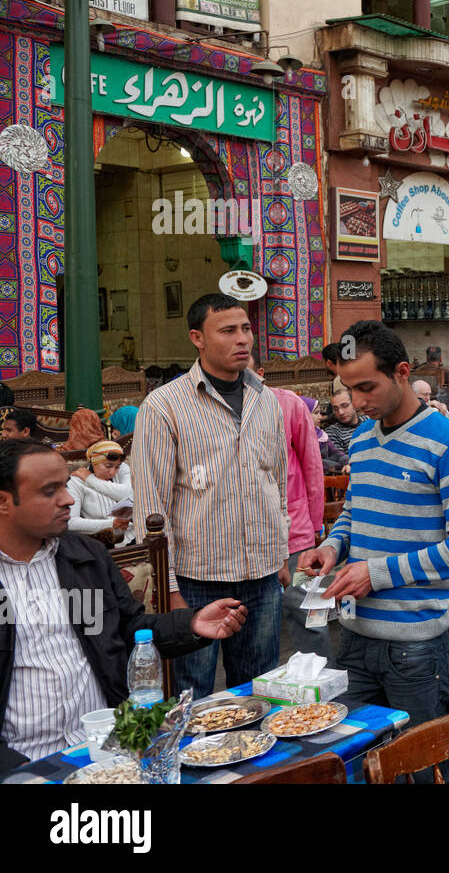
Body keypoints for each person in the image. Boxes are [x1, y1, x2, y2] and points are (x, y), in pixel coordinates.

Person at [298, 321, 449, 784]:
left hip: (415, 648)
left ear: (402, 372)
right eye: (348, 389)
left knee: (421, 771)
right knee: (357, 764)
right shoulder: (361, 440)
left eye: (366, 387)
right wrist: (331, 546)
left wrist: (375, 574)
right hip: (356, 636)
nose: (358, 401)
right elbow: (355, 514)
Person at [0, 438, 248, 769]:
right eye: (49, 491)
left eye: (65, 486)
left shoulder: (83, 558)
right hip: (23, 762)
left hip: (112, 747)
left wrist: (190, 624)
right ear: (3, 501)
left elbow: (129, 629)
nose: (68, 499)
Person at [130, 293, 288, 697]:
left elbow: (277, 480)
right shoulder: (164, 406)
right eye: (228, 330)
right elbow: (151, 506)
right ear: (197, 338)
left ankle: (258, 762)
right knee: (193, 694)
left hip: (262, 573)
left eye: (247, 329)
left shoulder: (265, 399)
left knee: (259, 691)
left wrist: (282, 552)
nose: (243, 340)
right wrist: (169, 589)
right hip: (197, 578)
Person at [248, 354, 329, 663]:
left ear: (260, 373)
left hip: (295, 531)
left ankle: (320, 686)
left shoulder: (288, 404)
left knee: (309, 613)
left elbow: (311, 465)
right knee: (259, 622)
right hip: (249, 538)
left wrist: (315, 522)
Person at [66, 440, 133, 543]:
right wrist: (112, 524)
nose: (112, 472)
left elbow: (127, 494)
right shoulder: (76, 482)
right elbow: (70, 522)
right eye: (108, 466)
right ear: (94, 462)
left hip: (133, 535)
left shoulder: (121, 469)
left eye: (117, 467)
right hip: (102, 542)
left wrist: (90, 479)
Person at [304, 396, 349, 474]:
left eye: (320, 413)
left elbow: (335, 452)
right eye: (316, 413)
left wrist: (347, 462)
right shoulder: (302, 439)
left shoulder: (321, 435)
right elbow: (315, 463)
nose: (320, 417)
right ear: (304, 414)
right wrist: (339, 466)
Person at [325, 389, 360, 454]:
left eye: (345, 406)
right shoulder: (332, 432)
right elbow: (342, 460)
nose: (340, 412)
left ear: (354, 404)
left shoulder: (369, 421)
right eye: (336, 409)